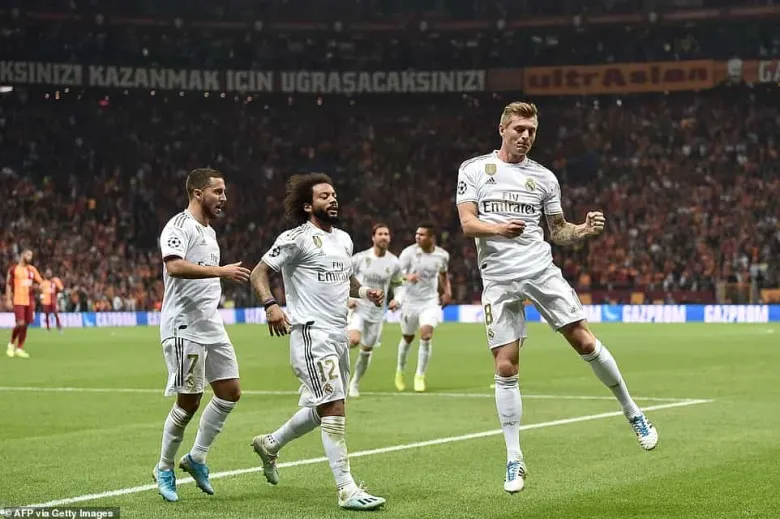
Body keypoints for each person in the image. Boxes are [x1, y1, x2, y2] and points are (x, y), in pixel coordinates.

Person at [455, 101, 658, 494]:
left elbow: (558, 231)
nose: (525, 136)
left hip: (540, 271)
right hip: (497, 278)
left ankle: (633, 412)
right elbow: (467, 223)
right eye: (519, 129)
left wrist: (583, 230)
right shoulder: (474, 169)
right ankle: (514, 458)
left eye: (531, 130)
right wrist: (499, 230)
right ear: (502, 129)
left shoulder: (544, 178)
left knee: (585, 341)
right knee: (506, 367)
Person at [249, 173, 386, 511]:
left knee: (323, 407)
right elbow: (258, 273)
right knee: (334, 406)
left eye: (334, 194)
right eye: (324, 196)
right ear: (308, 205)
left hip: (339, 334)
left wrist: (366, 292)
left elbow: (347, 280)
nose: (333, 199)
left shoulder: (343, 240)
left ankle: (270, 443)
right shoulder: (295, 239)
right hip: (312, 334)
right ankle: (346, 489)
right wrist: (271, 305)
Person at [153, 168, 251, 502]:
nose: (224, 198)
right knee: (189, 402)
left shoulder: (209, 232)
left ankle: (196, 457)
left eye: (224, 192)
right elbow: (174, 266)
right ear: (198, 193)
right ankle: (164, 467)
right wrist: (220, 271)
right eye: (217, 192)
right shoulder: (178, 226)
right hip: (184, 326)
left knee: (230, 392)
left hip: (211, 324)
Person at [347, 223, 403, 397]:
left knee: (366, 351)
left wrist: (397, 299)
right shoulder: (360, 258)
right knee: (353, 340)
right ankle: (331, 365)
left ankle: (354, 383)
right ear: (373, 237)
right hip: (358, 308)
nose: (384, 237)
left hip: (377, 313)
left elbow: (399, 285)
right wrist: (348, 297)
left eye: (386, 234)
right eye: (380, 234)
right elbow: (343, 276)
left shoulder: (394, 262)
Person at [394, 224, 452, 392]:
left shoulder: (442, 255)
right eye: (417, 234)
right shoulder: (408, 253)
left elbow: (443, 274)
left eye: (422, 234)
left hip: (429, 302)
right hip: (410, 301)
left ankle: (420, 375)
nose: (417, 237)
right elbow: (395, 275)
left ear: (431, 238)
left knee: (426, 334)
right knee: (407, 337)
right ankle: (400, 370)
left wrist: (447, 291)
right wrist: (407, 277)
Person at [6, 249, 42, 358]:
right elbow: (9, 285)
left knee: (26, 325)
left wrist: (37, 287)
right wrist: (8, 299)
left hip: (29, 301)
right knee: (20, 323)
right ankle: (11, 344)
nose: (30, 257)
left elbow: (40, 283)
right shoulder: (14, 269)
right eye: (28, 254)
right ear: (22, 255)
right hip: (18, 300)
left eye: (31, 255)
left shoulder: (32, 269)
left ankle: (19, 348)